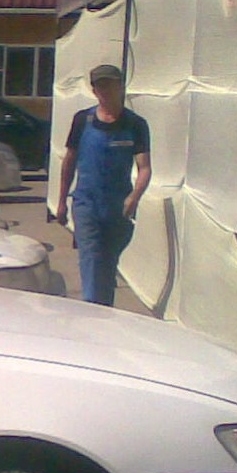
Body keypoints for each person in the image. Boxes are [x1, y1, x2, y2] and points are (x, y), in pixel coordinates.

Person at [54, 63, 152, 306]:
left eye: (111, 84)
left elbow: (145, 168)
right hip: (86, 202)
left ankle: (103, 313)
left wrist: (135, 197)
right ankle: (91, 312)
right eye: (100, 86)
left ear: (121, 87)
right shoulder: (82, 121)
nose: (106, 90)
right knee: (91, 257)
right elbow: (69, 162)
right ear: (94, 90)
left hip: (119, 207)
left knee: (107, 265)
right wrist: (61, 202)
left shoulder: (135, 125)